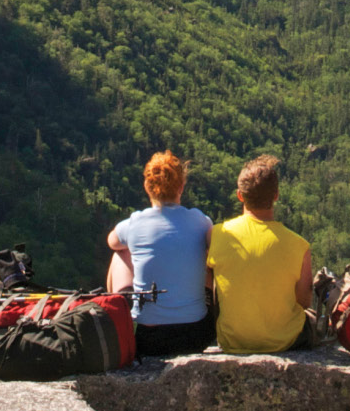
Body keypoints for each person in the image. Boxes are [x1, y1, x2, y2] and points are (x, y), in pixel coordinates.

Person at [106, 150, 215, 356]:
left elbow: (112, 241)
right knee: (207, 254)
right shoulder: (200, 221)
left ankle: (123, 317)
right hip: (196, 334)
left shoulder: (135, 223)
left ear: (147, 187)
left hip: (149, 337)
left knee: (120, 253)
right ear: (181, 187)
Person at [207, 154, 313, 354]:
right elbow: (304, 301)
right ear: (276, 196)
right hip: (285, 340)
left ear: (240, 195)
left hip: (232, 340)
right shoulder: (299, 245)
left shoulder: (218, 234)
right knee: (313, 319)